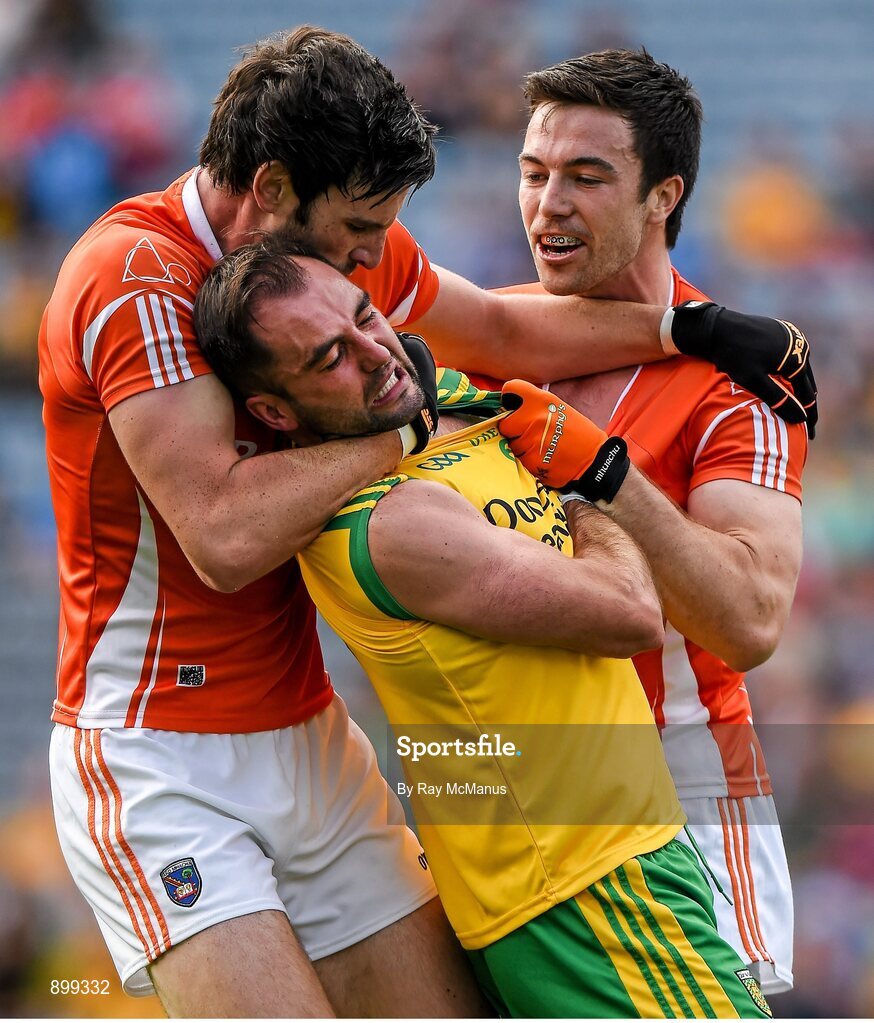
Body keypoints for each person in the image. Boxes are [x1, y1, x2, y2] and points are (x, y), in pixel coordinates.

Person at [40, 25, 811, 1015]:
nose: (374, 262)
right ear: (273, 192)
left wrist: (689, 328)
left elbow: (492, 327)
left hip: (306, 732)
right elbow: (224, 538)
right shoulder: (133, 275)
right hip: (160, 757)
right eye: (362, 230)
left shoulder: (314, 275)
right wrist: (405, 437)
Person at [193, 240, 774, 1019]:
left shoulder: (440, 404)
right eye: (331, 356)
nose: (377, 355)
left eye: (368, 318)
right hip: (588, 892)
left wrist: (695, 328)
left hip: (603, 870)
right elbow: (631, 612)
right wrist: (582, 481)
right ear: (272, 411)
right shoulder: (385, 522)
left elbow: (513, 328)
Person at [492, 49, 806, 996]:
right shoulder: (487, 335)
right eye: (534, 172)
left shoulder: (739, 383)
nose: (550, 204)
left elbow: (750, 619)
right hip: (500, 791)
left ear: (663, 194)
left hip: (677, 796)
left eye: (588, 177)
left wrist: (604, 472)